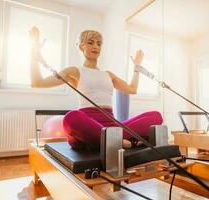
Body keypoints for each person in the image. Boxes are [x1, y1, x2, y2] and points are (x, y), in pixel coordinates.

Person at [29, 26, 163, 149]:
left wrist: (137, 67)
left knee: (156, 116)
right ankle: (115, 141)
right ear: (81, 46)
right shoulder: (74, 71)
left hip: (112, 126)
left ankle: (108, 141)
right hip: (87, 126)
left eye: (99, 44)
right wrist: (33, 51)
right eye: (90, 42)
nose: (96, 47)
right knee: (71, 117)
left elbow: (132, 89)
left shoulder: (108, 74)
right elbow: (37, 82)